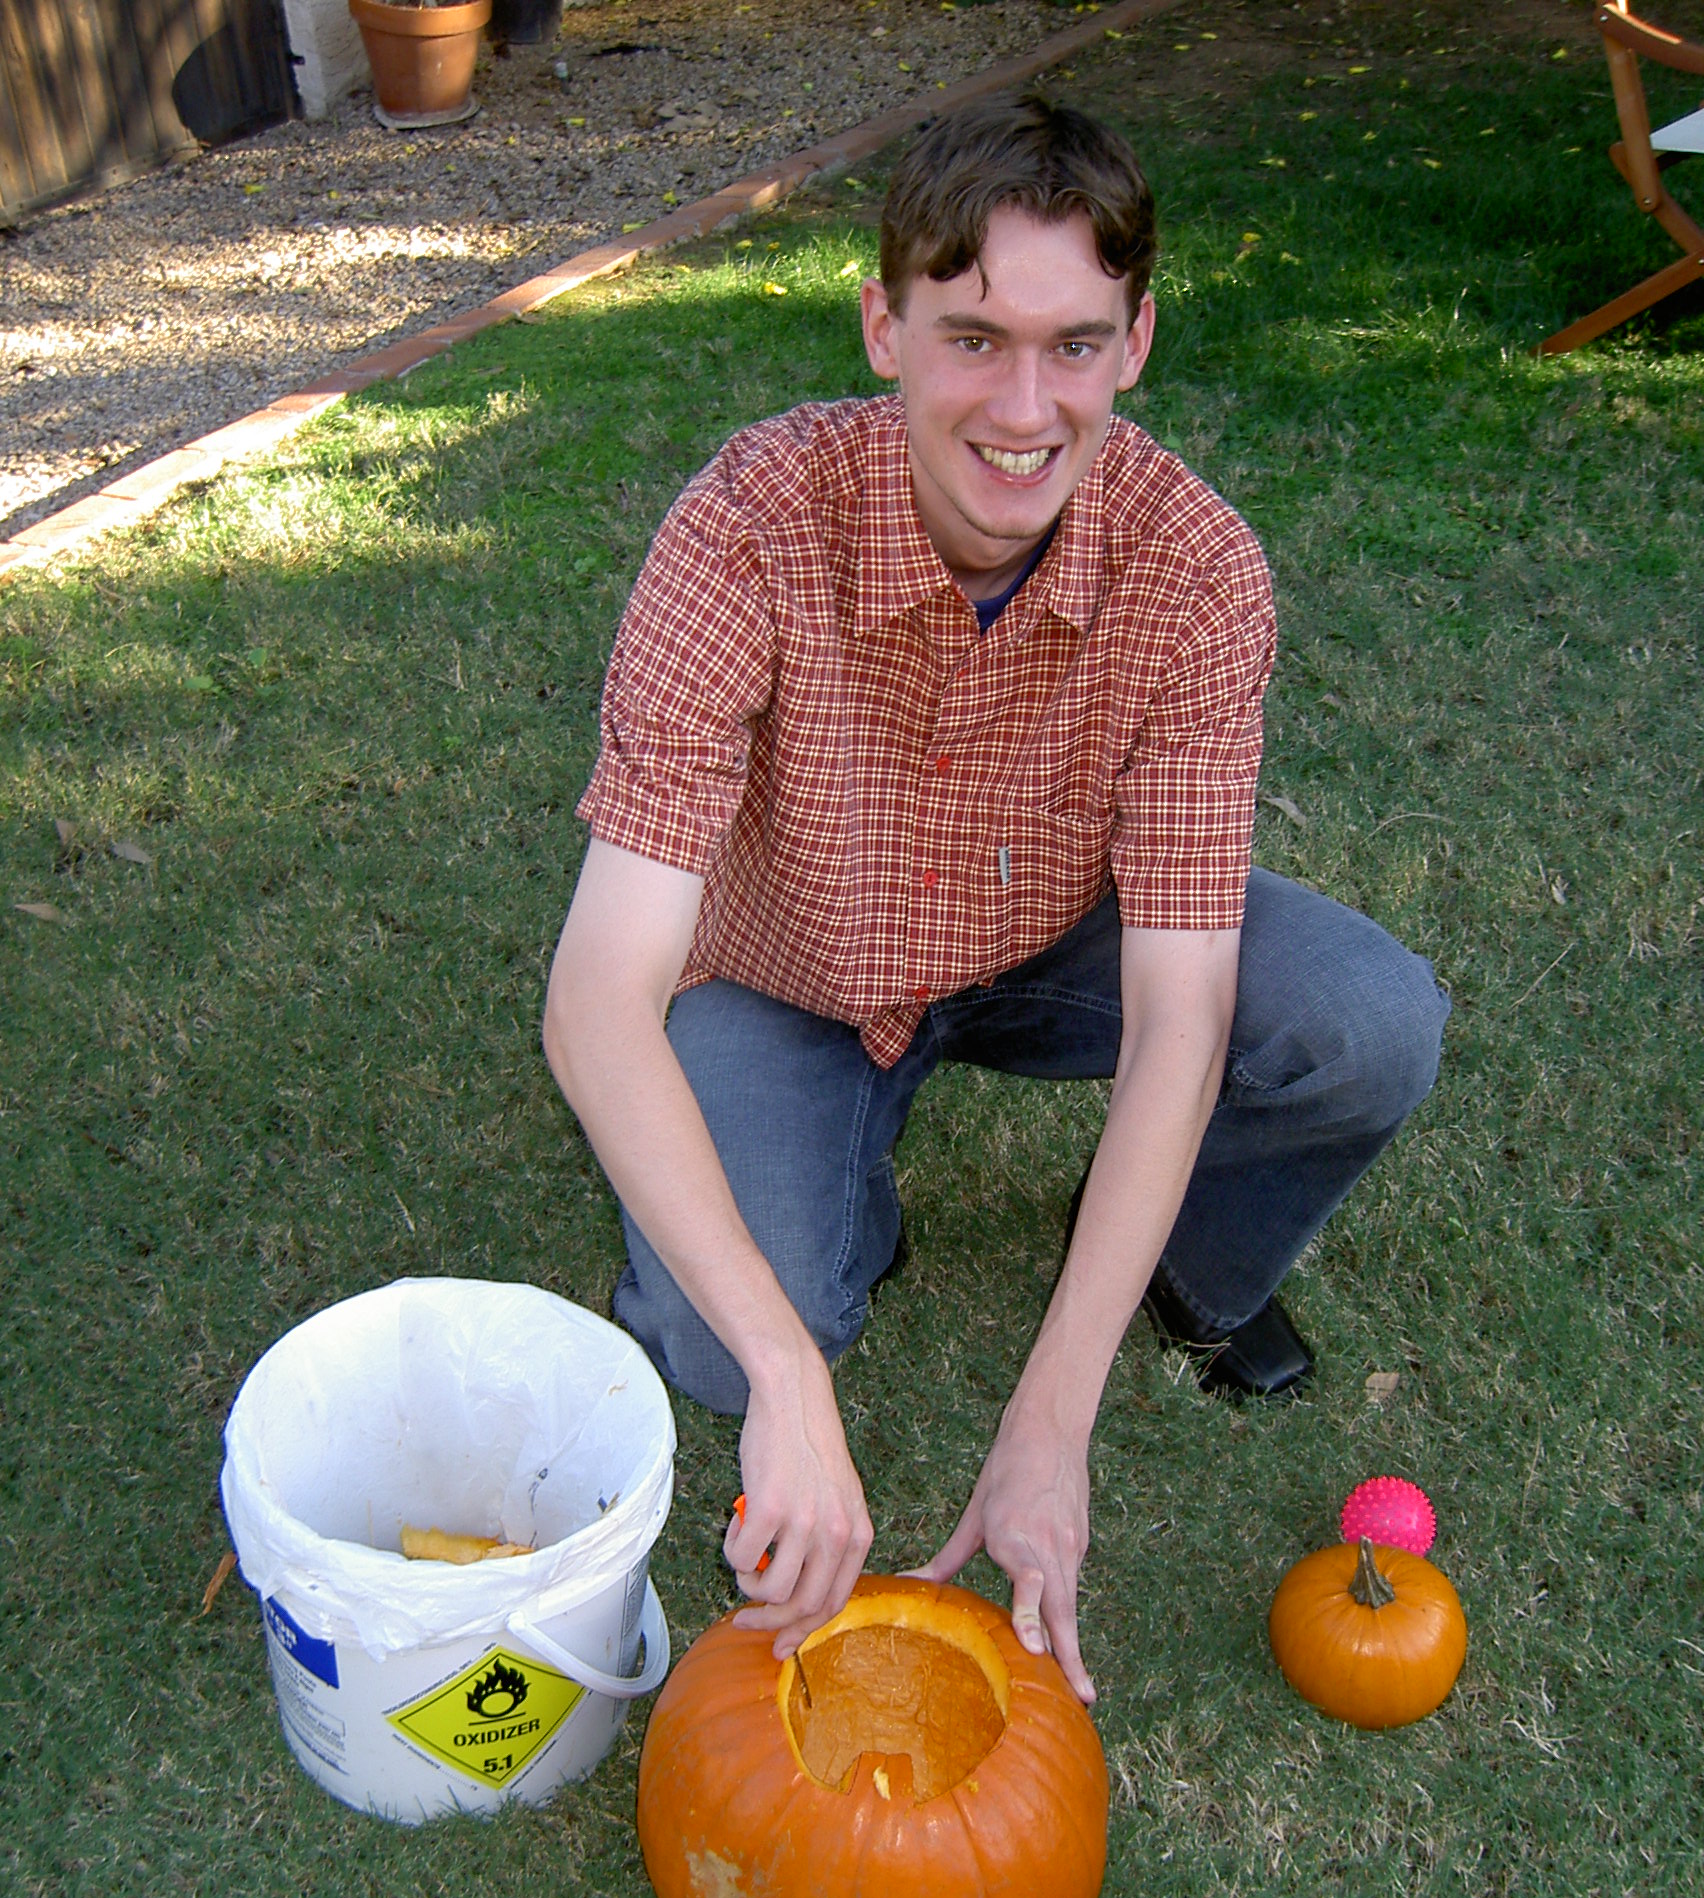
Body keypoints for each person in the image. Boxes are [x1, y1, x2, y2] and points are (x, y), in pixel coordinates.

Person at [542, 93, 1448, 1705]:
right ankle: (838, 1211)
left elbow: (1181, 1012)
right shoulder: (743, 530)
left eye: (1073, 344)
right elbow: (597, 1002)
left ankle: (1184, 1267)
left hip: (1049, 937)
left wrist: (1051, 1420)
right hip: (788, 965)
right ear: (882, 327)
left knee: (1366, 1023)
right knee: (717, 1344)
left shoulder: (1198, 571)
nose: (1024, 408)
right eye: (972, 338)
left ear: (1137, 341)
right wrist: (785, 1375)